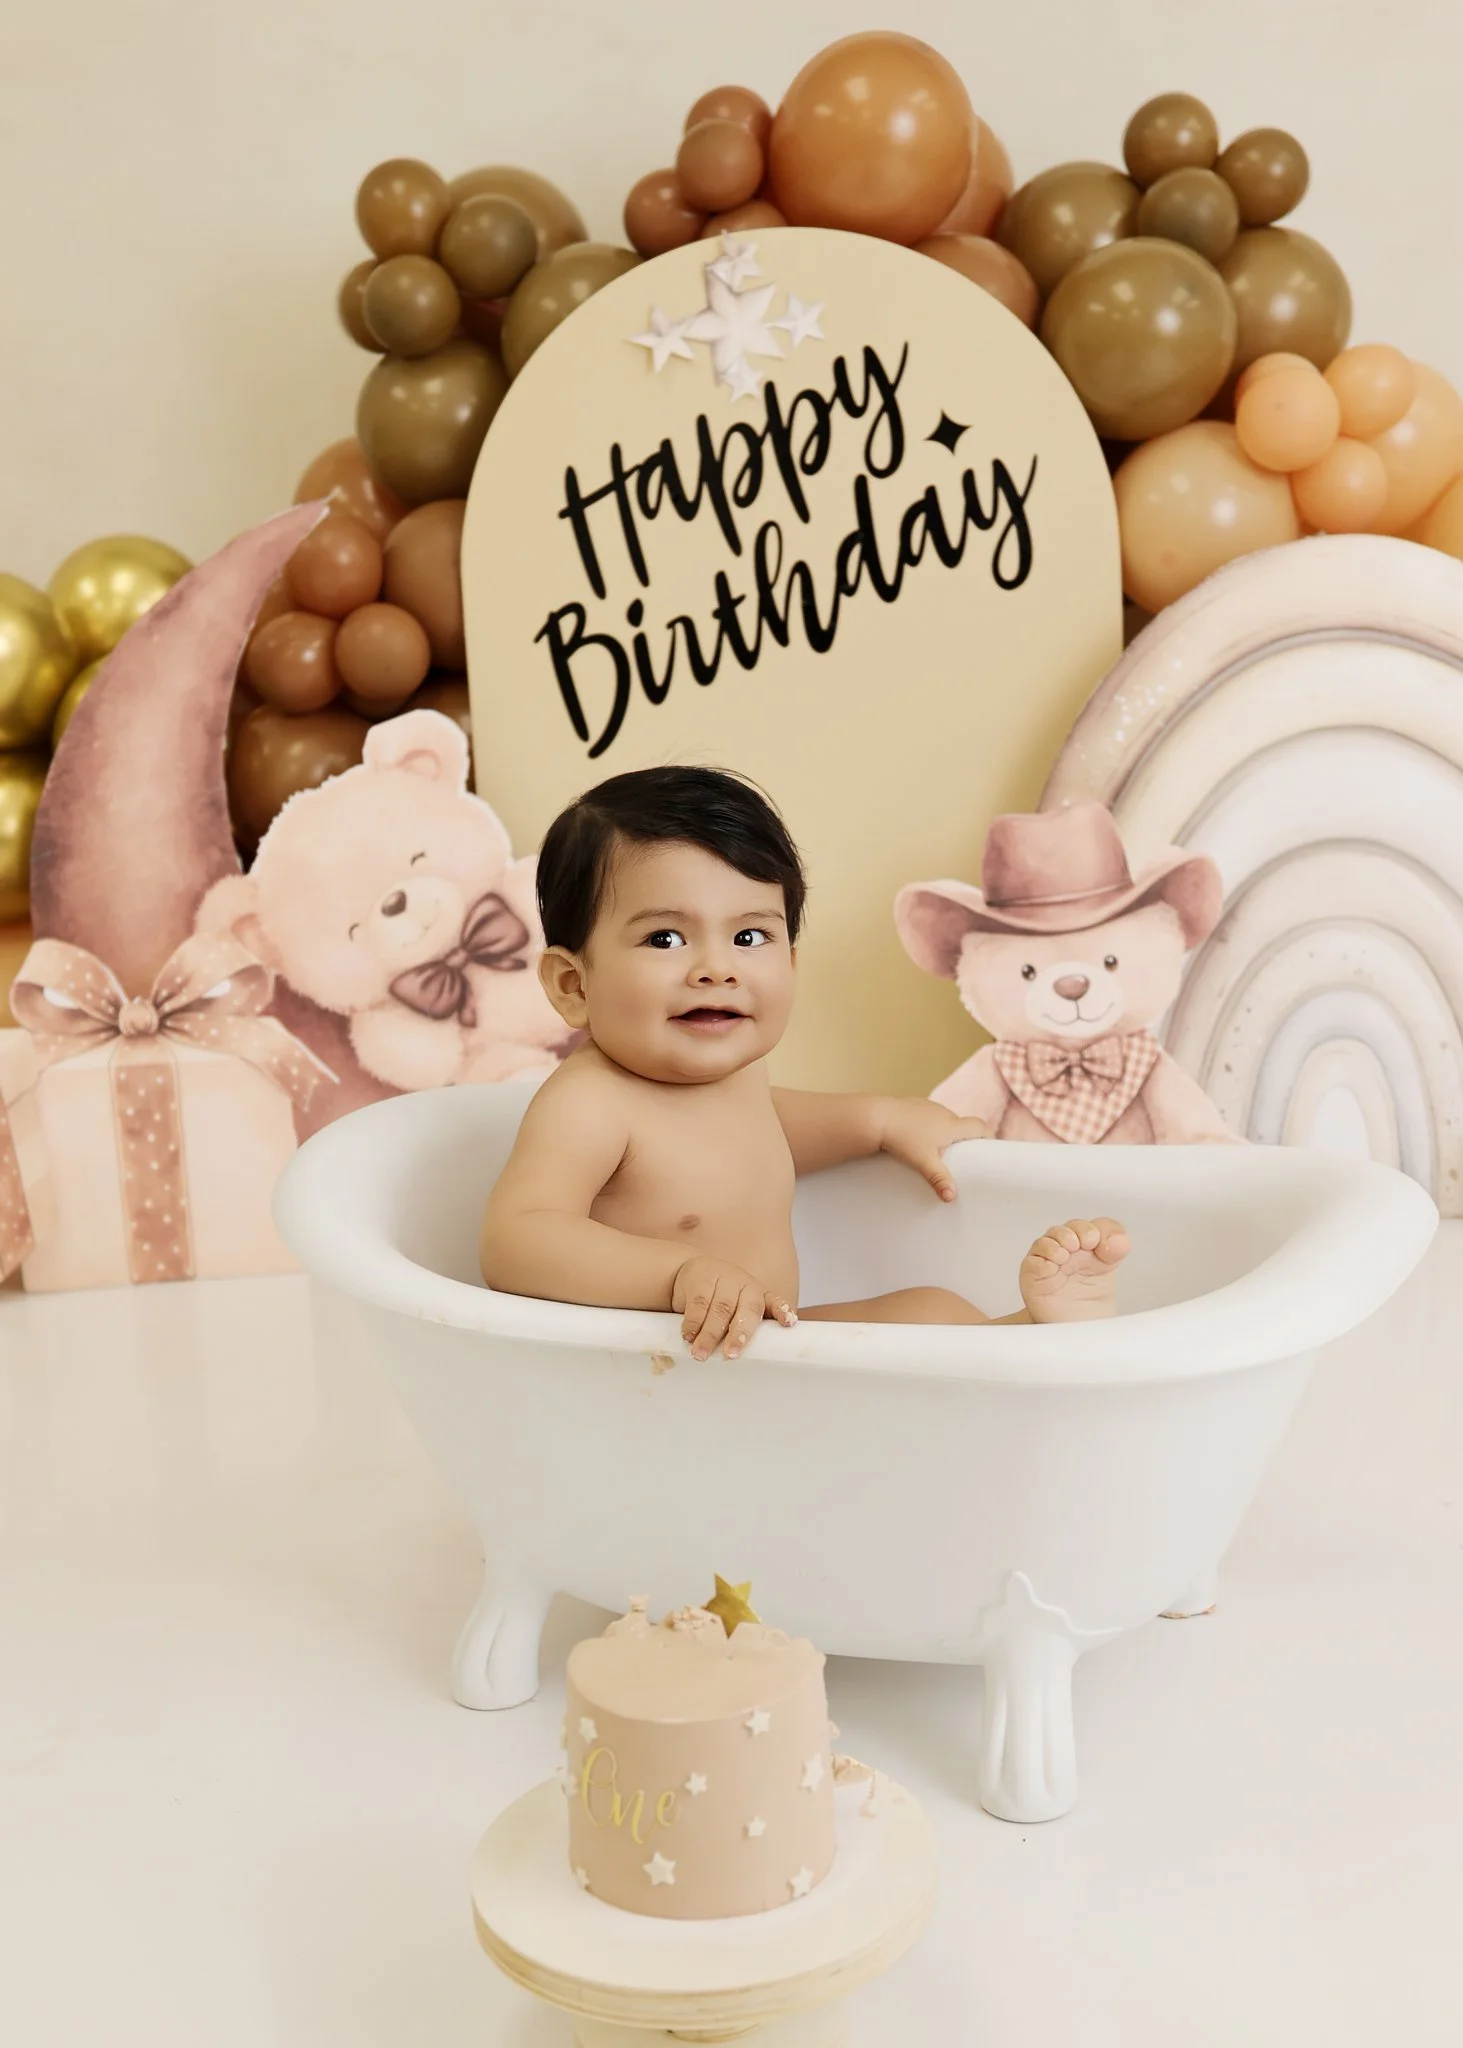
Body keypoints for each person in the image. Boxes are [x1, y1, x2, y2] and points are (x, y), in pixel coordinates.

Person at [479, 766, 1129, 1360]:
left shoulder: (734, 1079)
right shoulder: (590, 1104)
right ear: (572, 984)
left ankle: (1026, 1342)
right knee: (905, 1354)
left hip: (768, 1351)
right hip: (666, 1368)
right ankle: (1018, 1358)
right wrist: (675, 1275)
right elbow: (517, 1238)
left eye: (749, 936)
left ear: (789, 962)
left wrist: (877, 1120)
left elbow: (768, 1125)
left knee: (935, 1307)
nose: (716, 968)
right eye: (665, 938)